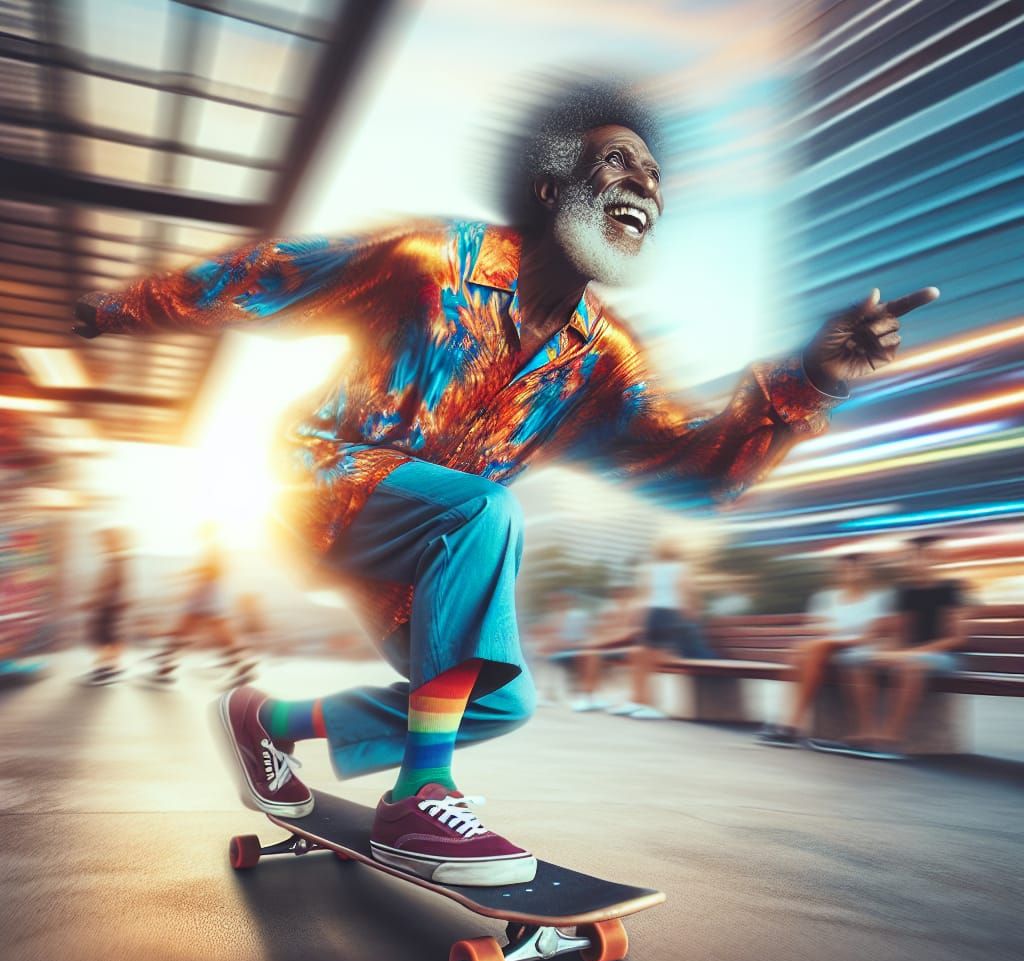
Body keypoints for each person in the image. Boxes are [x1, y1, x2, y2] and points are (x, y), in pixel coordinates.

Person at [72, 80, 937, 886]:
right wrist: (119, 310)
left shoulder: (603, 360)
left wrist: (810, 382)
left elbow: (696, 474)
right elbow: (267, 278)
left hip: (420, 551)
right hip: (319, 479)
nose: (645, 185)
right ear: (550, 191)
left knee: (500, 697)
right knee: (484, 509)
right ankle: (419, 798)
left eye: (655, 174)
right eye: (618, 161)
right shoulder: (429, 261)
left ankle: (267, 722)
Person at [827, 536, 968, 759]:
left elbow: (956, 638)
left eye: (922, 557)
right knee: (857, 661)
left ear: (934, 559)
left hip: (943, 656)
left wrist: (909, 654)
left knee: (909, 667)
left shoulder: (950, 588)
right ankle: (867, 731)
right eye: (910, 557)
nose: (915, 563)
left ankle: (892, 738)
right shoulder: (905, 591)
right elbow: (902, 634)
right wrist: (886, 652)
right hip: (909, 654)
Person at [757, 553, 893, 747]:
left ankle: (790, 724)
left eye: (857, 567)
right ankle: (786, 722)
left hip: (858, 650)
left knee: (813, 648)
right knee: (802, 655)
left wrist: (838, 635)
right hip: (826, 652)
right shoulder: (826, 598)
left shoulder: (877, 599)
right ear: (838, 572)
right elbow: (815, 628)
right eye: (846, 568)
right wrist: (833, 635)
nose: (851, 572)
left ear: (866, 572)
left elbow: (872, 635)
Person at [613, 538, 717, 719]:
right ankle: (647, 703)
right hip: (671, 614)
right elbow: (687, 594)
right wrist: (693, 614)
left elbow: (644, 597)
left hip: (653, 614)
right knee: (652, 657)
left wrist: (639, 622)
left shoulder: (649, 569)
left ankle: (641, 701)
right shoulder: (681, 568)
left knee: (645, 655)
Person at [147, 522, 254, 688]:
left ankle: (164, 668)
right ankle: (242, 665)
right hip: (212, 592)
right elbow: (205, 570)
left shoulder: (212, 547)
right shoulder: (216, 547)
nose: (197, 534)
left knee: (186, 630)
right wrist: (181, 577)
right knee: (211, 631)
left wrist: (187, 591)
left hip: (205, 593)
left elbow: (206, 572)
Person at [573, 583, 637, 712]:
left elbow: (629, 634)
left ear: (629, 593)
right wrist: (596, 641)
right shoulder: (611, 610)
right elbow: (602, 630)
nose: (618, 596)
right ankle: (590, 695)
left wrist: (600, 643)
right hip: (610, 646)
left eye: (622, 593)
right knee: (585, 653)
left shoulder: (634, 610)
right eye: (616, 593)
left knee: (591, 653)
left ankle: (590, 695)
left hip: (627, 647)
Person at [83, 527, 131, 686]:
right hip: (111, 603)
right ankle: (113, 666)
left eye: (104, 540)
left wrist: (96, 600)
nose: (101, 544)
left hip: (109, 603)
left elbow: (111, 584)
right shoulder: (117, 558)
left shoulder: (116, 559)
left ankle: (106, 667)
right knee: (109, 635)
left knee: (103, 634)